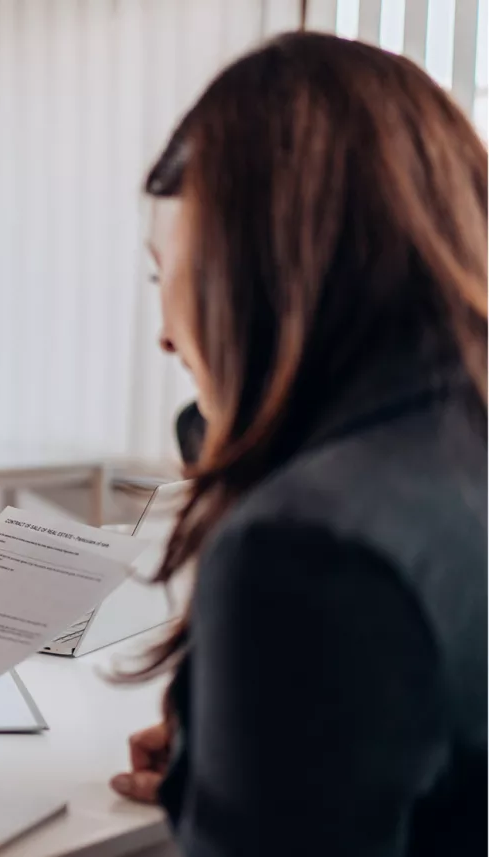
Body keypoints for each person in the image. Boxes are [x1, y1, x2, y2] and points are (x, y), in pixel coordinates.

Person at [108, 32, 486, 856]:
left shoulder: (307, 546)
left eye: (161, 275)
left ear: (249, 269)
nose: (168, 339)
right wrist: (252, 754)